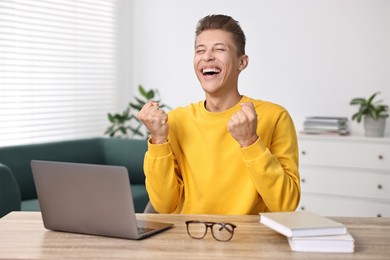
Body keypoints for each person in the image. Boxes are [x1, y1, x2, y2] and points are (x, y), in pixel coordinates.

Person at [137, 14, 300, 214]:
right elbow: (164, 206)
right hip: (190, 238)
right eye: (200, 50)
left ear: (242, 62)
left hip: (250, 241)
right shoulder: (176, 121)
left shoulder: (275, 117)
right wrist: (158, 140)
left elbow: (286, 205)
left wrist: (250, 142)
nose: (207, 57)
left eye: (220, 49)